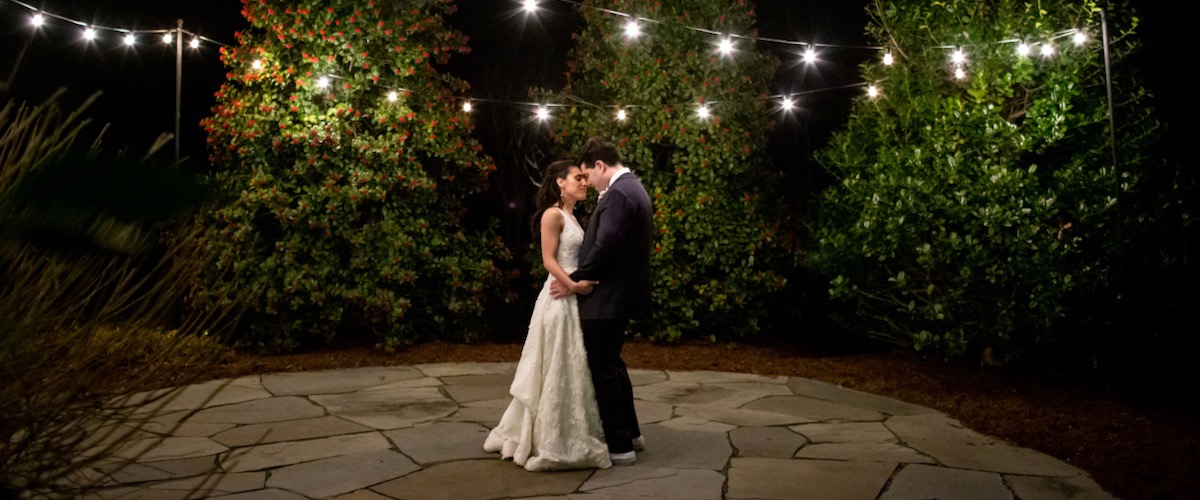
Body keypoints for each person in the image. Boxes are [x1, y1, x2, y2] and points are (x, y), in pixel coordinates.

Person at [483, 159, 612, 471]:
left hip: (571, 297)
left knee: (569, 364)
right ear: (559, 182)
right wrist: (573, 286)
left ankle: (567, 429)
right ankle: (545, 437)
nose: (584, 183)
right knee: (554, 362)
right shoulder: (553, 214)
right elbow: (548, 260)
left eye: (585, 178)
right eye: (577, 178)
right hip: (558, 299)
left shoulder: (573, 216)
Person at [550, 138, 654, 466]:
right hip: (618, 296)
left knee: (603, 368)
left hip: (607, 298)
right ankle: (632, 434)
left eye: (587, 175)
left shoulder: (620, 194)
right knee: (614, 364)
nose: (587, 182)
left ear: (599, 165)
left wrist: (576, 280)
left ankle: (620, 445)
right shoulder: (632, 188)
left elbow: (607, 246)